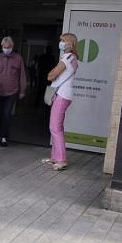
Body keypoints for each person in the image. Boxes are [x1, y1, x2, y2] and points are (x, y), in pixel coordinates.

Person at [43, 33, 79, 171]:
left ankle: (61, 159)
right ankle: (55, 157)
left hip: (62, 95)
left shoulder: (68, 57)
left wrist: (52, 73)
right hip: (64, 95)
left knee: (55, 127)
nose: (61, 43)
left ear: (70, 43)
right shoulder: (72, 58)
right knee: (57, 126)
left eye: (63, 41)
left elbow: (51, 75)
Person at [0, 36, 27, 147]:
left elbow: (22, 75)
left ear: (12, 47)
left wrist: (23, 90)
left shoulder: (18, 58)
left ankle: (4, 137)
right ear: (2, 47)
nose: (6, 49)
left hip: (12, 91)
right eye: (4, 47)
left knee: (7, 114)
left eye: (8, 47)